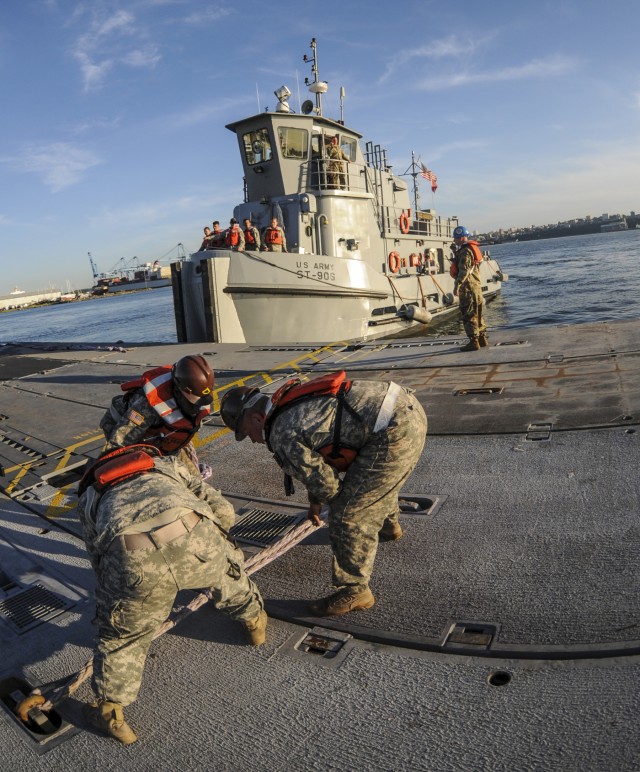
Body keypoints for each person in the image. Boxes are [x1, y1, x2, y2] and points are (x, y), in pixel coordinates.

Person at [78, 446, 266, 745]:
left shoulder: (90, 498)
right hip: (192, 533)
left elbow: (97, 557)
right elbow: (224, 512)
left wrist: (118, 600)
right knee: (228, 577)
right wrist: (217, 548)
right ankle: (254, 624)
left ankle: (113, 715)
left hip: (133, 557)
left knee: (121, 637)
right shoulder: (167, 466)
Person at [219, 372, 427, 617]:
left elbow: (327, 486)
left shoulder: (280, 433)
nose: (252, 441)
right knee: (371, 483)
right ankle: (389, 526)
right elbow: (319, 458)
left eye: (246, 433)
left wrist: (327, 501)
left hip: (394, 431)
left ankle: (356, 590)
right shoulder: (285, 402)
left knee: (348, 513)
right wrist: (314, 501)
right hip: (405, 407)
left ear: (256, 418)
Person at [99, 355, 214, 476]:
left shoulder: (195, 394)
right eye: (195, 401)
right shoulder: (145, 407)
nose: (197, 407)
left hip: (161, 439)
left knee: (192, 478)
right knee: (150, 477)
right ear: (179, 390)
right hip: (128, 433)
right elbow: (118, 444)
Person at [450, 225, 488, 351]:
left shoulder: (465, 251)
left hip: (468, 288)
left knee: (468, 314)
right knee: (478, 313)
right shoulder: (472, 249)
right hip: (476, 286)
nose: (454, 240)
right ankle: (482, 338)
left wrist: (457, 286)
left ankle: (474, 342)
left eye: (455, 238)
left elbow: (464, 271)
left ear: (460, 238)